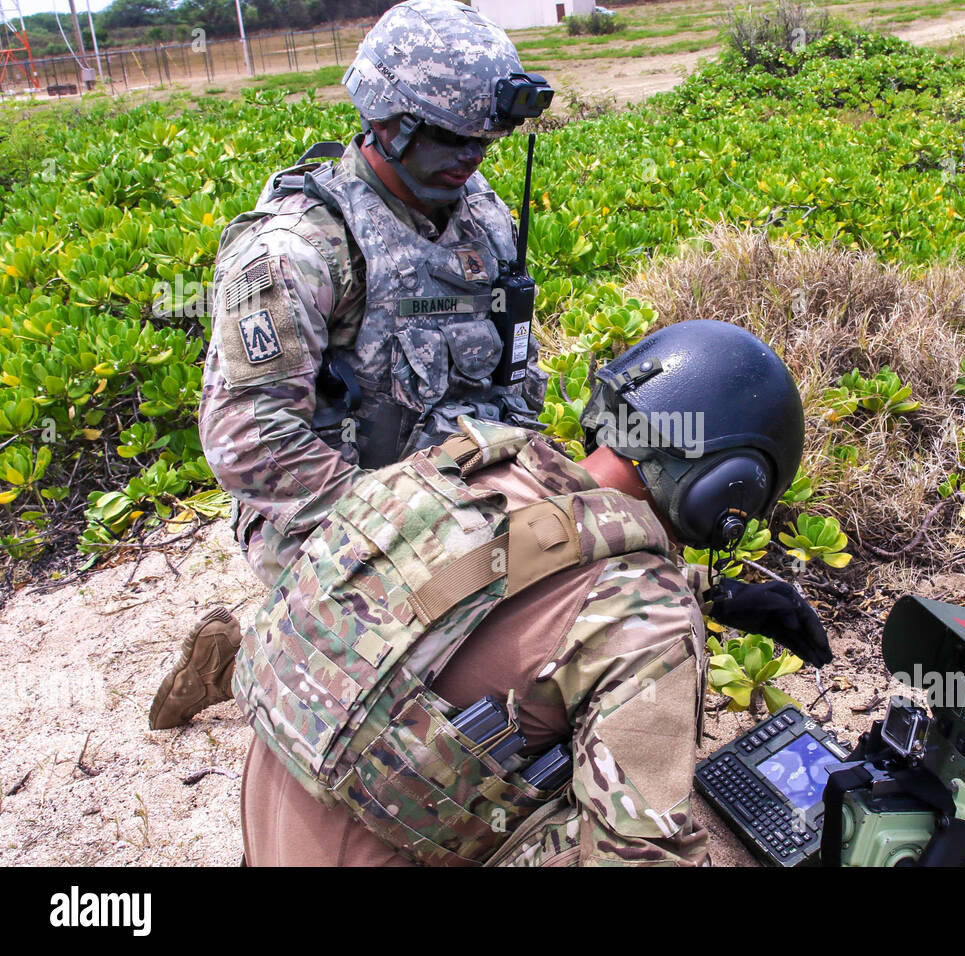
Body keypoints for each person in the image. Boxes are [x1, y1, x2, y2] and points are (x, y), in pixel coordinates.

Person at [234, 320, 832, 866]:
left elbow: (492, 572)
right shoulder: (653, 624)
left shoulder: (463, 464)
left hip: (267, 829)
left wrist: (712, 594)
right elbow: (639, 857)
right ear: (728, 487)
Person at [149, 0, 553, 730]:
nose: (472, 158)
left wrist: (529, 476)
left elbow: (514, 367)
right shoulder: (292, 250)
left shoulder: (481, 214)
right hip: (330, 511)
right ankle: (244, 663)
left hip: (458, 487)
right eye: (451, 140)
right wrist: (396, 536)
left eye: (485, 143)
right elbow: (248, 439)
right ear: (391, 124)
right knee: (399, 708)